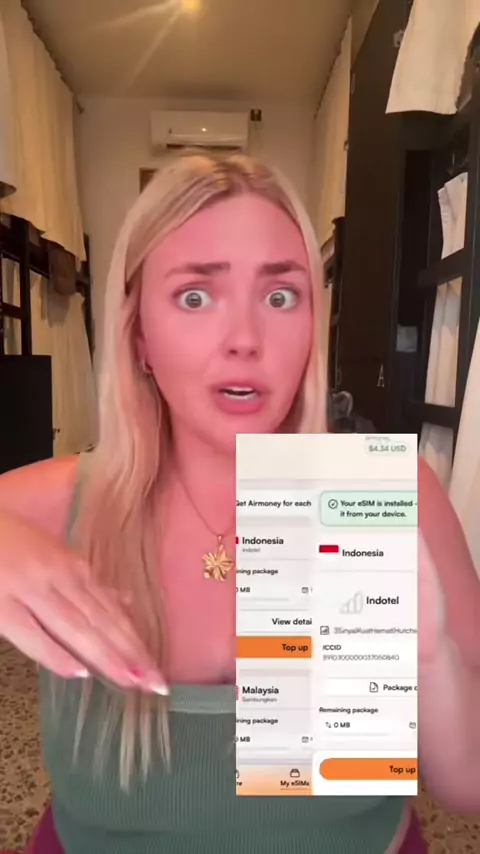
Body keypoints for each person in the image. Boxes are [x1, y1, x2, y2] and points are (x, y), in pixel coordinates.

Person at [0, 153, 479, 854]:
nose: (246, 341)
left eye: (280, 297)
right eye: (196, 297)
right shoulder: (50, 505)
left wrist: (428, 660)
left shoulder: (390, 496)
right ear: (138, 334)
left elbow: (470, 788)